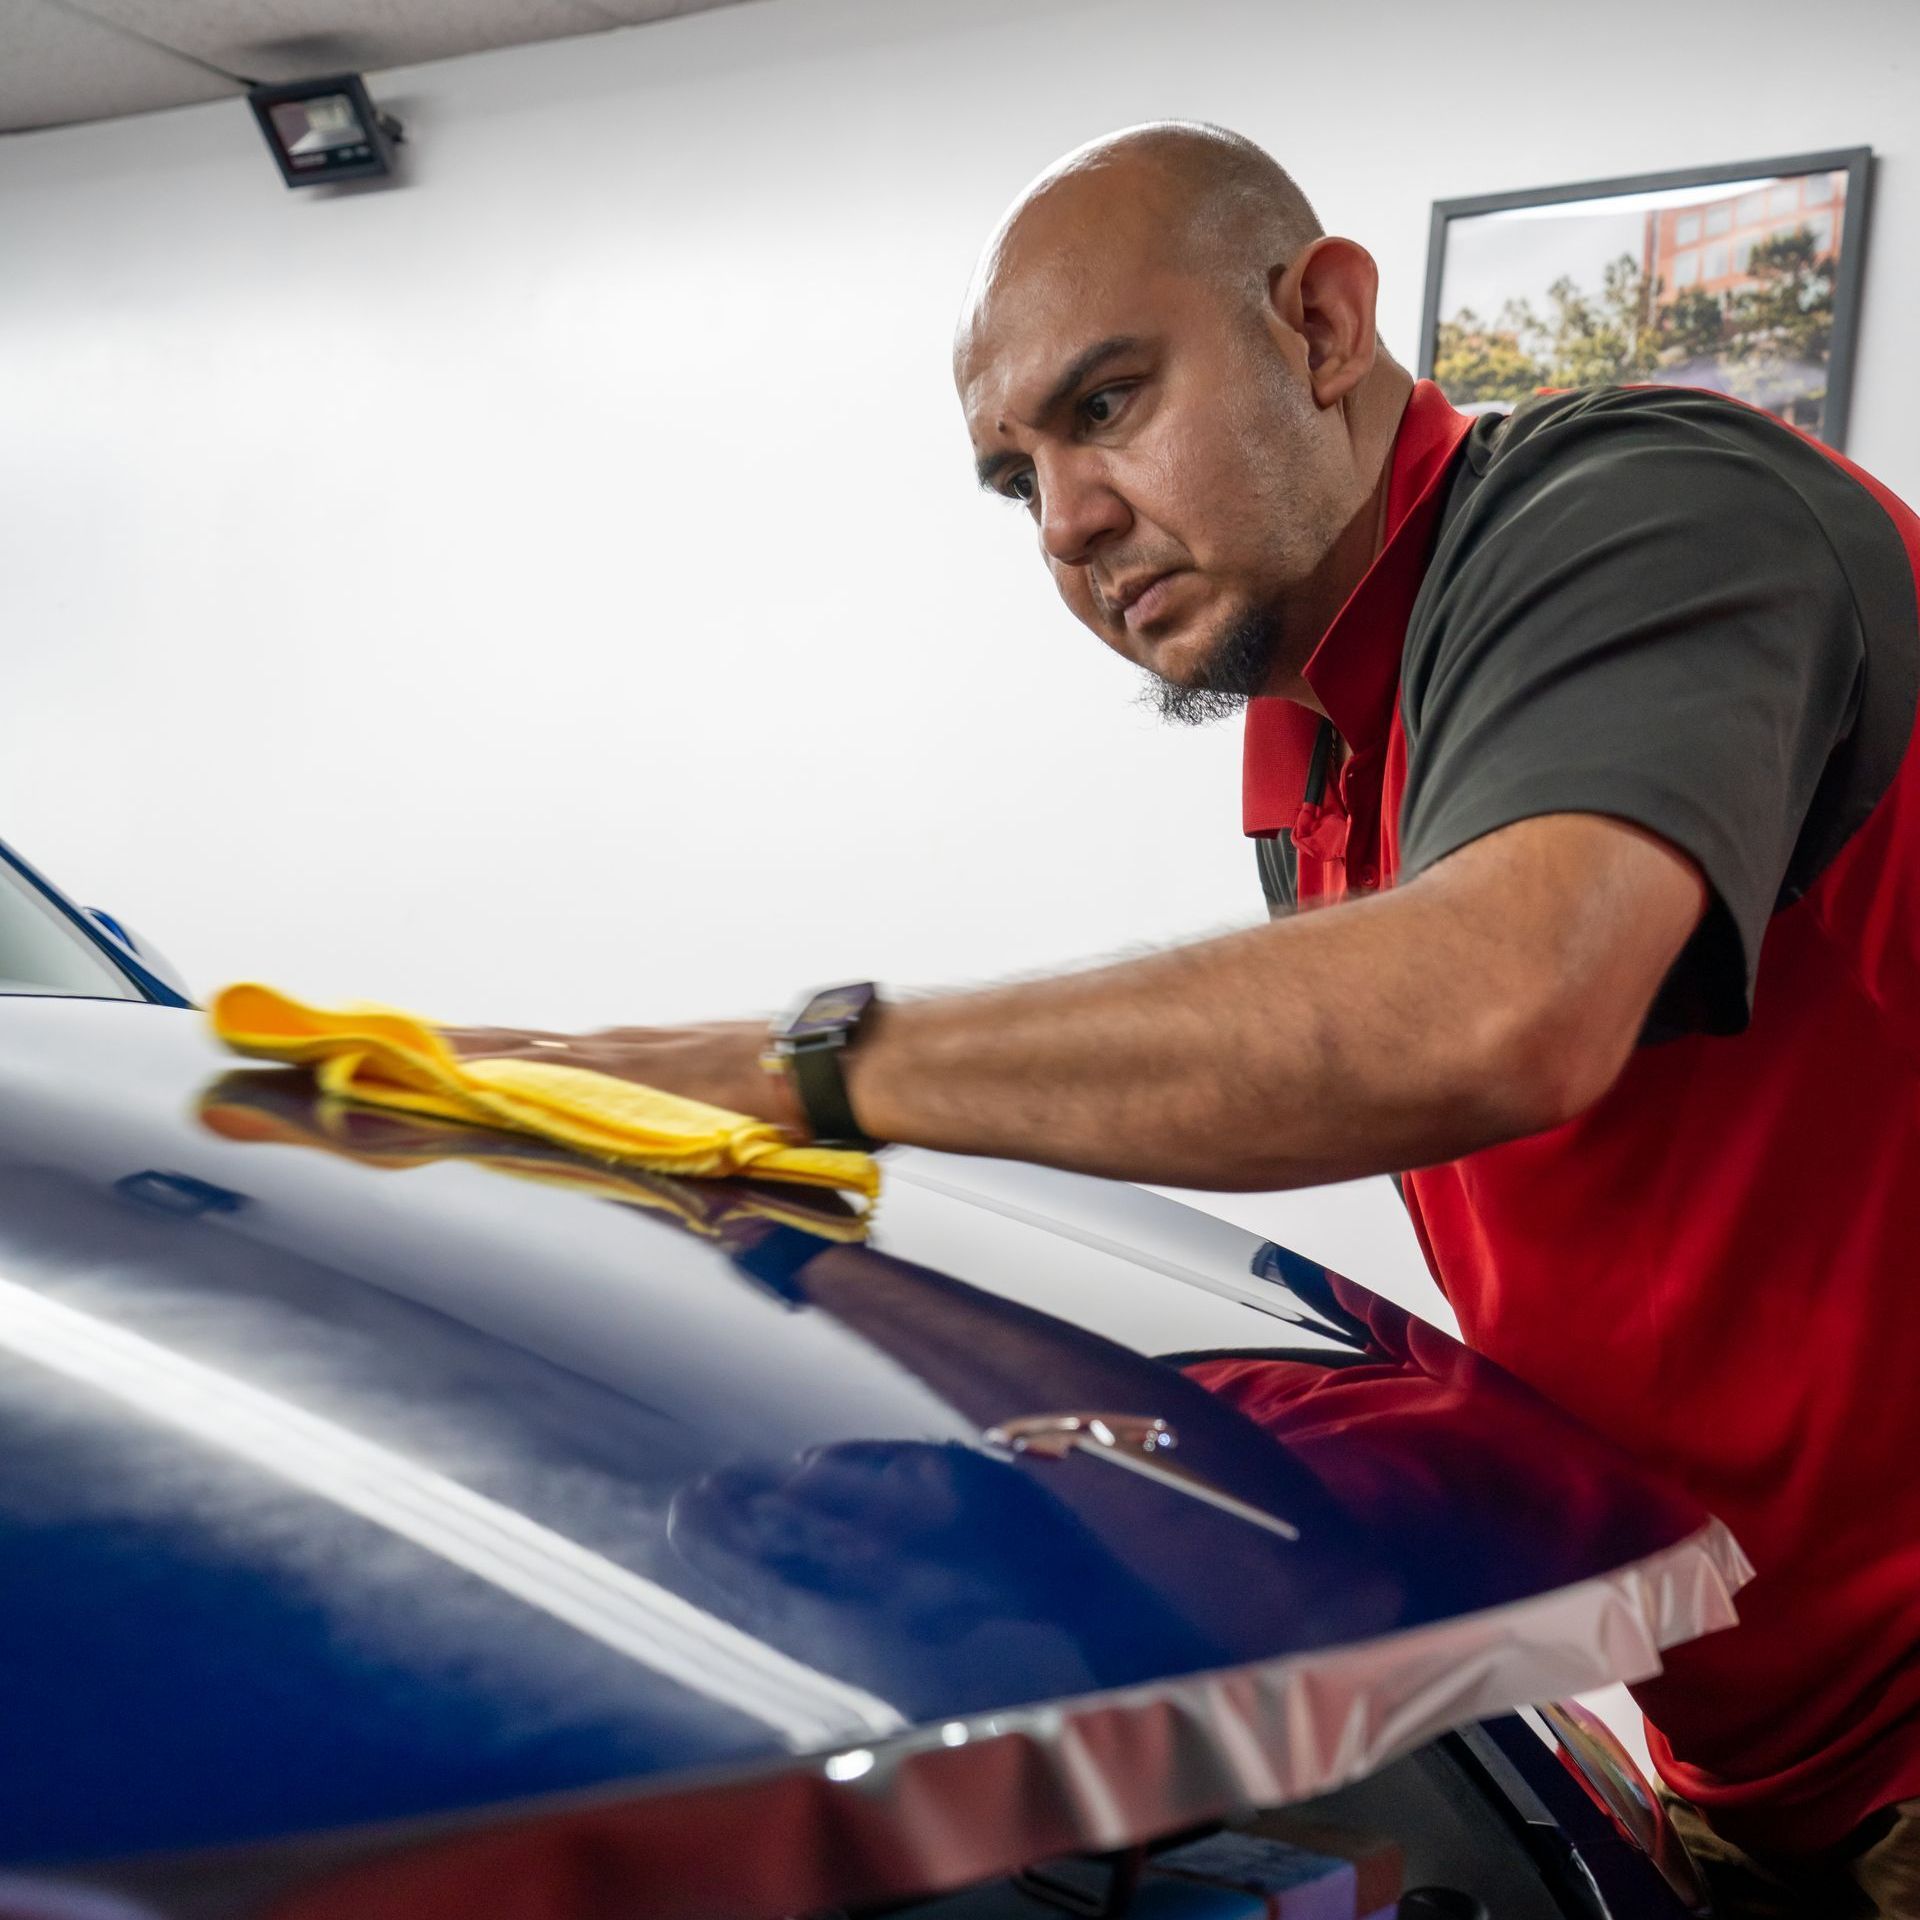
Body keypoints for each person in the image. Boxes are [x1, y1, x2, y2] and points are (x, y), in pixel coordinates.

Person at [452, 123, 1920, 1914]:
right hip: (1747, 1757)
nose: (1067, 521)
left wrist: (793, 1067)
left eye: (1110, 404)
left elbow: (1495, 1013)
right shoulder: (1302, 749)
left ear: (1321, 324)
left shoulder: (1644, 500)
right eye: (1017, 480)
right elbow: (1607, 1263)